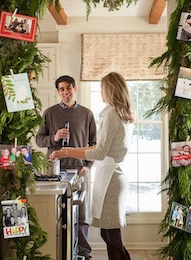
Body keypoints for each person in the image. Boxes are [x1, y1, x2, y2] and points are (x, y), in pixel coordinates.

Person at [50, 72, 133, 260]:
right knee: (108, 234)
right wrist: (71, 150)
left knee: (112, 236)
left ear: (110, 90)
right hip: (113, 176)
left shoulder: (112, 115)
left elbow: (99, 153)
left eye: (103, 87)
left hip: (112, 179)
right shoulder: (119, 113)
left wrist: (66, 151)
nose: (101, 91)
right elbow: (99, 147)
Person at [36, 75, 97, 260]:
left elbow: (95, 144)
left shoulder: (87, 114)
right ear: (58, 91)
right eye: (61, 89)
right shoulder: (49, 113)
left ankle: (84, 253)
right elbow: (39, 140)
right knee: (57, 213)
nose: (65, 92)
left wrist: (88, 166)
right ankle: (59, 252)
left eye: (68, 88)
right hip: (54, 172)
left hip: (80, 171)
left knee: (82, 215)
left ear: (75, 88)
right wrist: (53, 138)